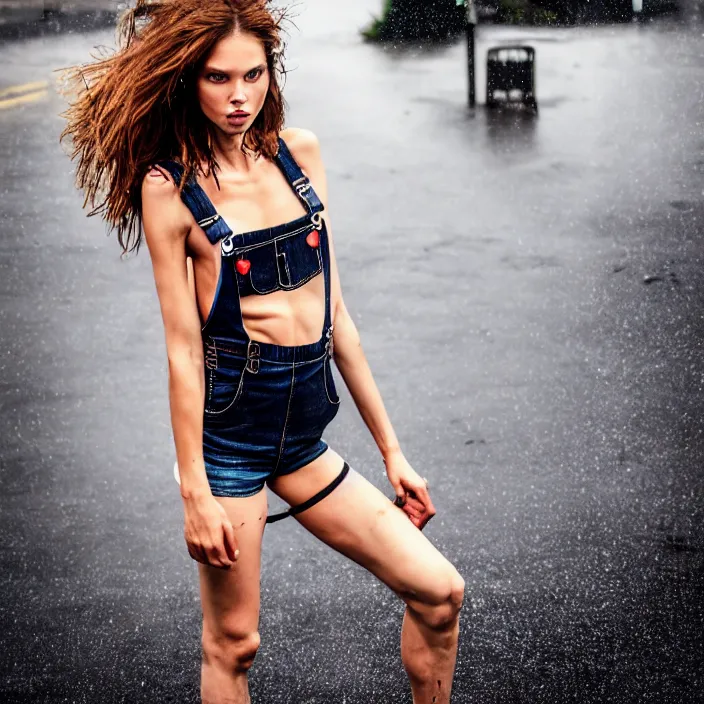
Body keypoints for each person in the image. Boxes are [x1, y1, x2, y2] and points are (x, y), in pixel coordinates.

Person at [61, 1, 465, 702]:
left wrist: (393, 452)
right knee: (234, 644)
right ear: (191, 81)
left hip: (304, 440)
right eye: (219, 79)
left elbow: (336, 314)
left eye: (253, 75)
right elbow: (184, 353)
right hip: (232, 446)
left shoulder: (299, 156)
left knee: (440, 593)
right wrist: (195, 490)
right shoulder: (171, 192)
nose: (239, 96)